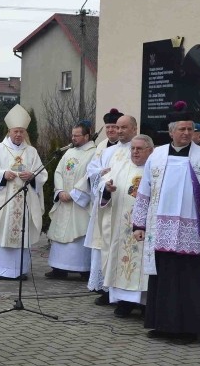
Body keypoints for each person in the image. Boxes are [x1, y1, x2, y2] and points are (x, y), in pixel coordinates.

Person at [133, 104, 200, 341]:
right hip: (160, 229)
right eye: (182, 129)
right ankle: (163, 325)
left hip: (191, 231)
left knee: (189, 282)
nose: (186, 133)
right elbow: (145, 190)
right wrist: (139, 224)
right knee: (163, 278)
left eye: (190, 129)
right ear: (171, 131)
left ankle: (191, 329)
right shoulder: (157, 155)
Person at [0, 104, 47, 280]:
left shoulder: (31, 152)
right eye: (16, 131)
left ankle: (20, 271)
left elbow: (42, 173)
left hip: (24, 201)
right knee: (3, 232)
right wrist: (3, 174)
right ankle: (1, 270)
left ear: (25, 133)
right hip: (4, 200)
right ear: (9, 131)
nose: (19, 134)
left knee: (22, 234)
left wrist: (32, 176)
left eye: (21, 131)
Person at [98, 134, 154, 317]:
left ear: (150, 151)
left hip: (146, 228)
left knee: (143, 265)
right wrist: (106, 190)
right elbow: (102, 186)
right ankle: (124, 303)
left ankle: (146, 303)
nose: (135, 152)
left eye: (140, 149)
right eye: (133, 149)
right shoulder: (120, 167)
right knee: (122, 262)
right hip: (122, 226)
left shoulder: (155, 170)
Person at [85, 114, 138, 303]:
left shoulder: (141, 150)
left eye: (124, 128)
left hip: (131, 212)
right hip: (109, 209)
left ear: (134, 129)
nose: (119, 131)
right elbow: (94, 176)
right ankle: (109, 291)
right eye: (117, 127)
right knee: (108, 250)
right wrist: (104, 184)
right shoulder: (108, 152)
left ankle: (129, 299)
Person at [45, 122, 96, 280]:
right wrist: (60, 191)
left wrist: (73, 194)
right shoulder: (68, 152)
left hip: (79, 203)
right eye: (72, 135)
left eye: (76, 135)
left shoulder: (93, 153)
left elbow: (90, 177)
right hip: (63, 199)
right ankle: (58, 268)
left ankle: (83, 268)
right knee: (60, 232)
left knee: (78, 233)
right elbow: (58, 172)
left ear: (86, 136)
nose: (73, 138)